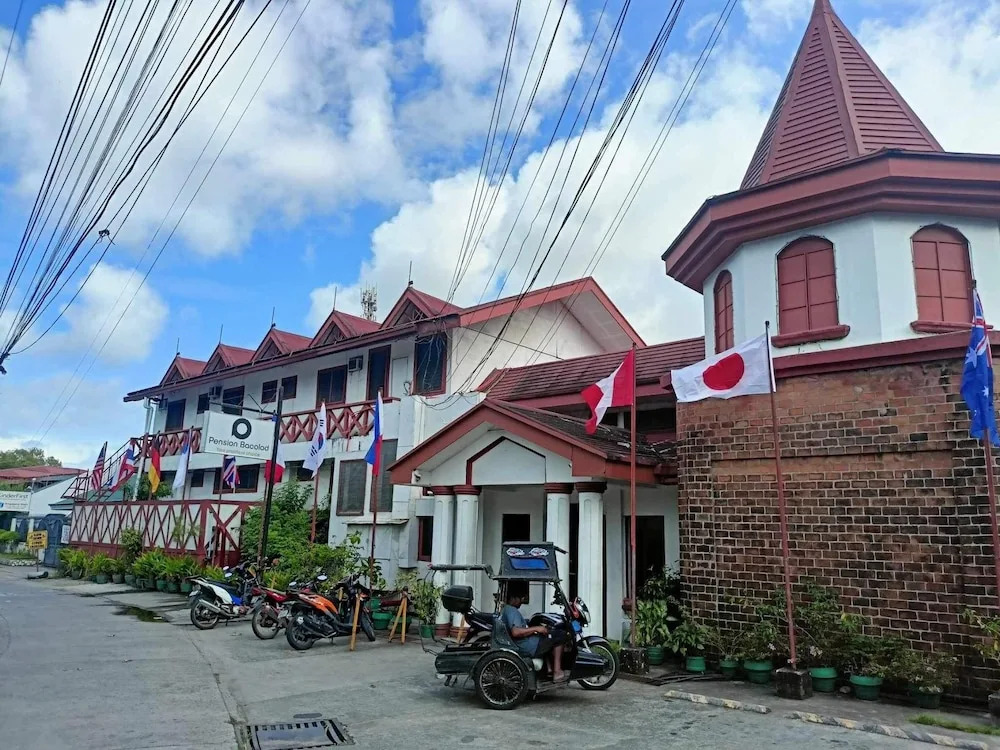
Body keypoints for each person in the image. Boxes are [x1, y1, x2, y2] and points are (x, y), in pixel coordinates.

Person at [500, 581, 567, 682]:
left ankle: (549, 669)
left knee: (548, 635)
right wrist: (536, 629)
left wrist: (535, 629)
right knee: (559, 635)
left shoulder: (507, 610)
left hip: (526, 643)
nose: (522, 601)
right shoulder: (511, 611)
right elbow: (516, 632)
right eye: (520, 598)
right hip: (527, 646)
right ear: (513, 598)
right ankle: (557, 672)